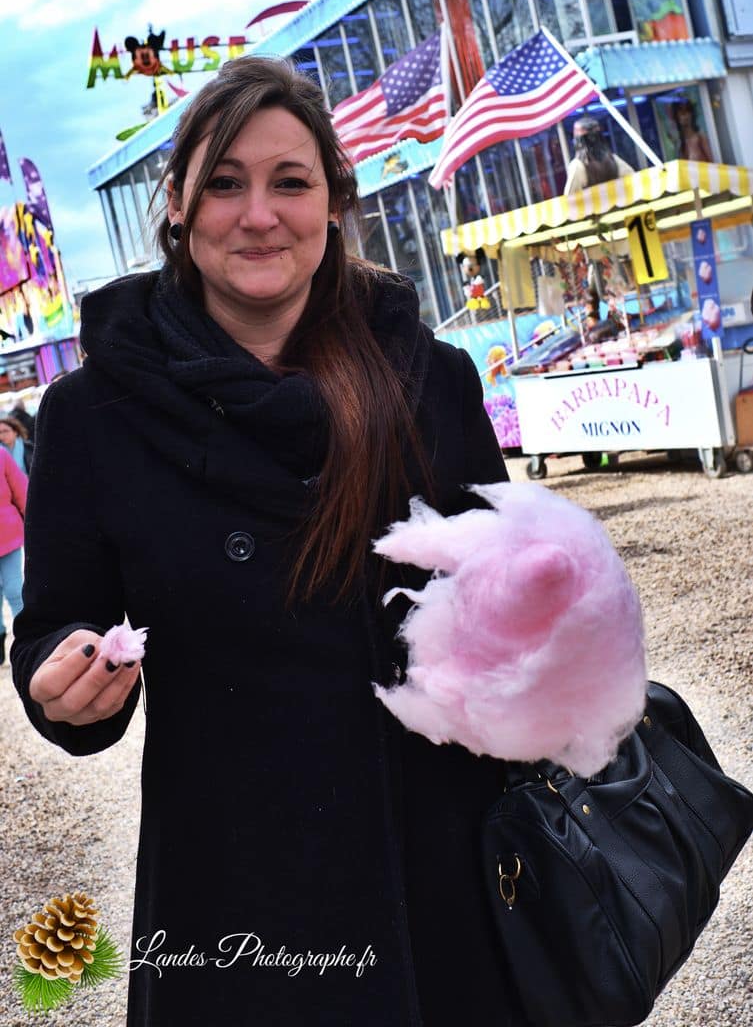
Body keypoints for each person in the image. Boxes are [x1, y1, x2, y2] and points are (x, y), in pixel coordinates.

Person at [11, 56, 517, 1026]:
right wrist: (62, 682)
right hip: (234, 886)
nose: (258, 216)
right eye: (223, 184)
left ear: (333, 201)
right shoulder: (92, 415)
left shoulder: (430, 379)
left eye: (290, 182)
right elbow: (52, 625)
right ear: (176, 206)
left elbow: (506, 600)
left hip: (437, 864)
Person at [0, 445, 27, 665]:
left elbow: (21, 489)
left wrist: (34, 520)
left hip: (7, 534)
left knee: (14, 589)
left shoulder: (1, 454)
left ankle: (27, 638)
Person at [563, 115, 634, 194]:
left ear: (578, 141)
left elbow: (569, 198)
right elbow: (634, 181)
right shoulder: (614, 159)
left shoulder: (577, 166)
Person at [668, 97, 713, 163]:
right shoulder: (679, 143)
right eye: (681, 113)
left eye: (688, 111)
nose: (686, 116)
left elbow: (712, 162)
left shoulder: (700, 138)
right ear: (677, 117)